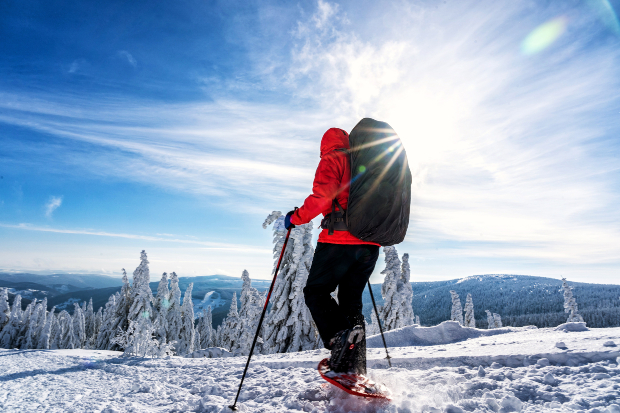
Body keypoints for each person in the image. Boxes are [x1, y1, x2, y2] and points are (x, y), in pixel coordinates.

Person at [284, 127, 380, 374]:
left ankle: (339, 339)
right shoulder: (365, 163)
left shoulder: (333, 158)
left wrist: (296, 218)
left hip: (338, 241)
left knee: (316, 292)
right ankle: (354, 365)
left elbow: (323, 197)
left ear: (324, 145)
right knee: (351, 302)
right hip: (369, 244)